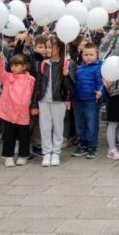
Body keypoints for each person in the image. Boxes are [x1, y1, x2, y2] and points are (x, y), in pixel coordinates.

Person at [33, 37, 74, 167]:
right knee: (45, 127)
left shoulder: (67, 63)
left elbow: (72, 87)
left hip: (59, 100)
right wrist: (34, 103)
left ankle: (56, 152)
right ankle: (46, 153)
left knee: (58, 127)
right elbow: (38, 85)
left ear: (59, 48)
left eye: (51, 47)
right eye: (47, 47)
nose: (47, 50)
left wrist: (67, 76)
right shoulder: (43, 64)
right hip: (44, 101)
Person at [0, 54, 36, 167]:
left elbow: (34, 94)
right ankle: (8, 156)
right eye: (12, 65)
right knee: (9, 134)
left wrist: (33, 106)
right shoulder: (8, 77)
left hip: (23, 112)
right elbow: (0, 72)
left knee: (24, 135)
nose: (13, 68)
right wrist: (0, 62)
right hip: (9, 112)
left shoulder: (31, 79)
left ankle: (23, 155)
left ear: (24, 66)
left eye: (16, 65)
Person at [71, 44, 104, 160]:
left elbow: (101, 82)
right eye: (86, 54)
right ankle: (82, 144)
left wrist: (100, 92)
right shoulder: (80, 68)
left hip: (92, 100)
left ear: (96, 55)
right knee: (80, 124)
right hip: (79, 100)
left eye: (91, 54)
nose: (88, 57)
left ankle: (92, 146)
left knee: (91, 124)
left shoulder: (98, 67)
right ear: (82, 55)